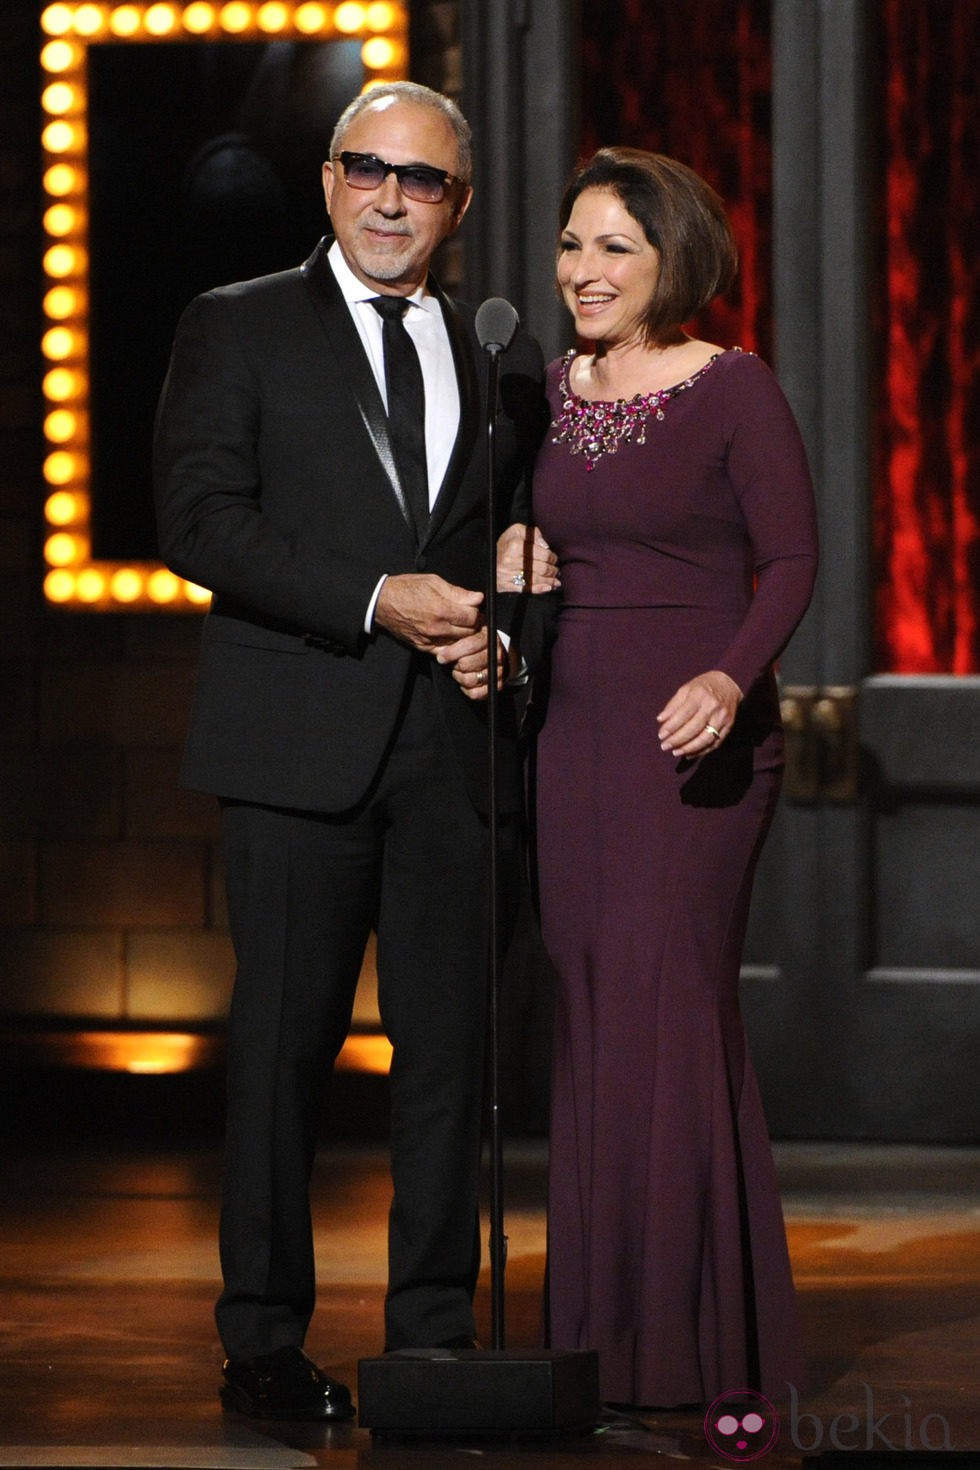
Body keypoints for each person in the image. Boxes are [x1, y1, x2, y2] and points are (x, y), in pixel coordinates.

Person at [153, 81, 552, 1421]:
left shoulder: (501, 360)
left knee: (448, 1061)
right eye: (368, 170)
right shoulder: (239, 326)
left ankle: (430, 1337)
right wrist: (379, 599)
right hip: (293, 747)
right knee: (278, 1060)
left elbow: (520, 550)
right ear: (329, 183)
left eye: (422, 180)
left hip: (452, 756)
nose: (392, 197)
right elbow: (202, 523)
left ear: (459, 205)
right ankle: (262, 1341)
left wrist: (511, 632)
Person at [495, 147, 818, 1408]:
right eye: (571, 245)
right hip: (568, 736)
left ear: (672, 257)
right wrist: (515, 539)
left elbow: (788, 563)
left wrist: (731, 681)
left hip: (697, 742)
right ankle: (600, 1337)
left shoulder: (730, 388)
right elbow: (538, 530)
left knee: (670, 1015)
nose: (581, 270)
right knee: (588, 1022)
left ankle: (693, 1341)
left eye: (611, 247)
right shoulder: (548, 390)